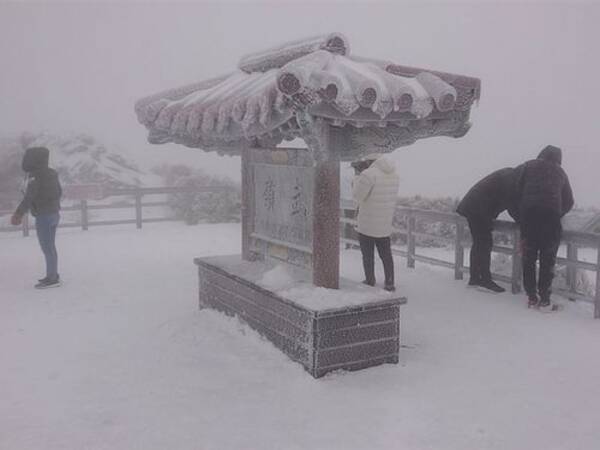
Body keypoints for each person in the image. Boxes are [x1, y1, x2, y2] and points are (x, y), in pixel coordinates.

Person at [515, 145, 574, 310]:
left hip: (529, 219)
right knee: (548, 260)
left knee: (529, 257)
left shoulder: (528, 166)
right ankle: (545, 299)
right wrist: (555, 212)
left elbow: (516, 191)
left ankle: (531, 296)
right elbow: (569, 201)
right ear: (558, 158)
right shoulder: (561, 173)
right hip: (550, 221)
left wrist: (523, 213)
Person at [456, 168, 519, 293]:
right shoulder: (513, 181)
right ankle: (483, 280)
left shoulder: (509, 175)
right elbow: (513, 205)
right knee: (484, 244)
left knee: (480, 243)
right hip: (479, 209)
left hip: (473, 207)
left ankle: (475, 278)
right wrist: (521, 220)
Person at [10, 147, 63, 289]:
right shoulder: (52, 173)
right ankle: (53, 274)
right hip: (54, 214)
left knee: (47, 247)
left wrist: (18, 213)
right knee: (51, 247)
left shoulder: (35, 176)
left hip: (43, 216)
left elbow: (29, 197)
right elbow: (59, 192)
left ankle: (52, 279)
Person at [351, 153, 400, 292]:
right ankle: (390, 282)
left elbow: (357, 196)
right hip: (384, 222)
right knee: (386, 254)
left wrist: (357, 177)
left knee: (368, 254)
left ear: (368, 160)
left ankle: (370, 280)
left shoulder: (368, 174)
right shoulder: (394, 174)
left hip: (367, 223)